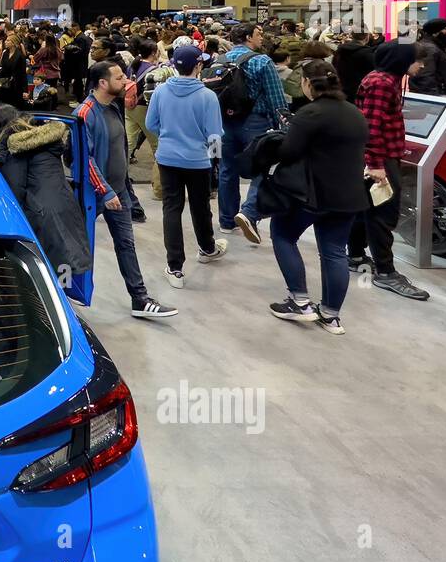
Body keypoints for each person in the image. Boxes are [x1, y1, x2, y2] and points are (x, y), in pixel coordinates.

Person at [263, 61, 369, 336]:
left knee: (282, 234)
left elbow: (289, 152)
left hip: (313, 194)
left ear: (309, 84)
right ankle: (331, 315)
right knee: (334, 251)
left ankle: (300, 301)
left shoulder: (309, 113)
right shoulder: (355, 113)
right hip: (349, 195)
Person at [76, 60, 176, 319]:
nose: (126, 82)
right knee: (77, 247)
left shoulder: (115, 107)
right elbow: (82, 159)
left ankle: (139, 299)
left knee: (126, 244)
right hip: (94, 195)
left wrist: (123, 188)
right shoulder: (85, 114)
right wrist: (105, 191)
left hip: (118, 191)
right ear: (102, 83)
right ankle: (66, 296)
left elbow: (120, 151)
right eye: (119, 78)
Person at [350, 42, 430, 301]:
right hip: (382, 158)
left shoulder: (386, 80)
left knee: (367, 210)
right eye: (418, 60)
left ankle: (356, 256)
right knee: (383, 214)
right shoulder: (382, 83)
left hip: (382, 156)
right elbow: (370, 126)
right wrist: (375, 164)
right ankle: (386, 272)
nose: (422, 65)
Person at [146, 45, 227, 289]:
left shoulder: (161, 92)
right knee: (201, 207)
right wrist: (215, 164)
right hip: (197, 161)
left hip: (167, 158)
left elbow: (152, 123)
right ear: (198, 66)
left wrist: (169, 138)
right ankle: (207, 248)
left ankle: (175, 267)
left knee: (172, 209)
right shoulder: (208, 96)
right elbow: (214, 136)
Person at [0, 105, 93, 279]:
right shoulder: (43, 139)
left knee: (44, 274)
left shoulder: (17, 146)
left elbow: (15, 188)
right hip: (63, 206)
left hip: (41, 214)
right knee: (62, 268)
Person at [218, 23, 288, 245]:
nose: (261, 37)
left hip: (224, 122)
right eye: (258, 34)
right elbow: (276, 97)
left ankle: (226, 220)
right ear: (248, 37)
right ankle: (248, 212)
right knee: (263, 169)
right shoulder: (262, 61)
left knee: (226, 169)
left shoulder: (220, 60)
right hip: (255, 122)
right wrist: (283, 127)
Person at [128, 40, 170, 200]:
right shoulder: (155, 70)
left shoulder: (132, 65)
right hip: (145, 108)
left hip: (129, 107)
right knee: (158, 147)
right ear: (154, 53)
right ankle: (160, 189)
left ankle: (118, 179)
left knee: (128, 144)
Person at [412, 18, 446, 96]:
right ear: (435, 33)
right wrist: (435, 101)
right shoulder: (429, 49)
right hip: (436, 97)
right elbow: (425, 78)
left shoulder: (435, 47)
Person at [333, 30, 376, 103]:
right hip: (360, 91)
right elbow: (373, 73)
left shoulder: (340, 50)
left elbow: (334, 66)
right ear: (367, 37)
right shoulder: (367, 54)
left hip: (341, 89)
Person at [0, 34, 28, 108]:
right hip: (3, 83)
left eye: (8, 40)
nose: (5, 42)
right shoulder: (5, 53)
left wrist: (25, 90)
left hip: (15, 86)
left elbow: (23, 74)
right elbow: (3, 67)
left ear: (13, 43)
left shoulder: (20, 56)